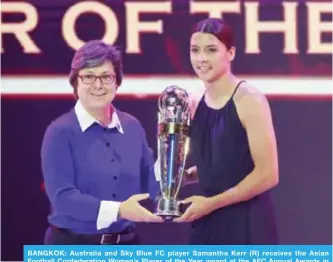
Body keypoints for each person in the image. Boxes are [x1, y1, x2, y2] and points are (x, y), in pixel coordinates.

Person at [41, 40, 163, 245]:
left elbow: (149, 181)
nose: (98, 85)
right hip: (72, 247)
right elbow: (63, 198)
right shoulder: (59, 132)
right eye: (88, 76)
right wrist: (119, 210)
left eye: (106, 77)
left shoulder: (132, 126)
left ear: (117, 82)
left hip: (126, 246)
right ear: (75, 82)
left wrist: (178, 175)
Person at [173, 18, 279, 245]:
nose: (201, 58)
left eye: (211, 50)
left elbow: (268, 174)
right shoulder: (193, 101)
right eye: (195, 50)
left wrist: (212, 203)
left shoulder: (249, 99)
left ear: (230, 53)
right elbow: (221, 164)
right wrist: (182, 177)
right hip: (205, 220)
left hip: (246, 223)